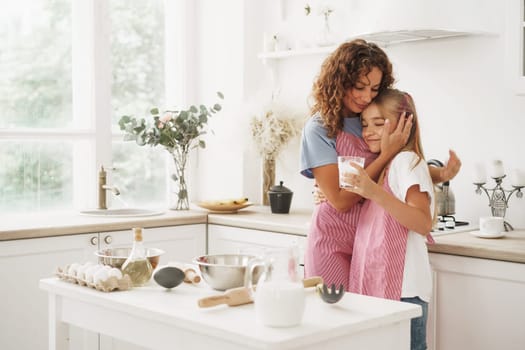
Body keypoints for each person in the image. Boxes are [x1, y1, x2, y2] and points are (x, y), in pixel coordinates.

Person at [300, 39, 461, 291]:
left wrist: (440, 174)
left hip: (371, 240)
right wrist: (386, 154)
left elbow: (394, 170)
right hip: (331, 241)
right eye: (359, 87)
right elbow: (340, 200)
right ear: (340, 80)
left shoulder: (374, 117)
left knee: (368, 323)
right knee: (336, 319)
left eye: (374, 88)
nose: (366, 97)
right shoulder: (319, 128)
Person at [343, 89, 435, 350]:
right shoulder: (387, 164)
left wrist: (372, 192)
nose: (368, 131)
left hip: (404, 293)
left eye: (378, 123)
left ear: (404, 123)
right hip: (384, 290)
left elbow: (422, 222)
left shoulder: (406, 161)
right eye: (364, 124)